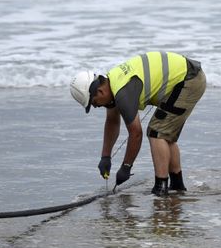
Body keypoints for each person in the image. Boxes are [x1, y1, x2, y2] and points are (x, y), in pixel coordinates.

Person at [70, 51, 206, 196]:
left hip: (188, 80)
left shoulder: (122, 92)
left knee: (156, 133)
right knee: (164, 134)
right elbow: (112, 122)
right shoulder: (113, 84)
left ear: (100, 91)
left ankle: (161, 188)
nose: (96, 106)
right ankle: (177, 186)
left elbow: (135, 134)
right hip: (187, 77)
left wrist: (126, 167)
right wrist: (105, 157)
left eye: (94, 102)